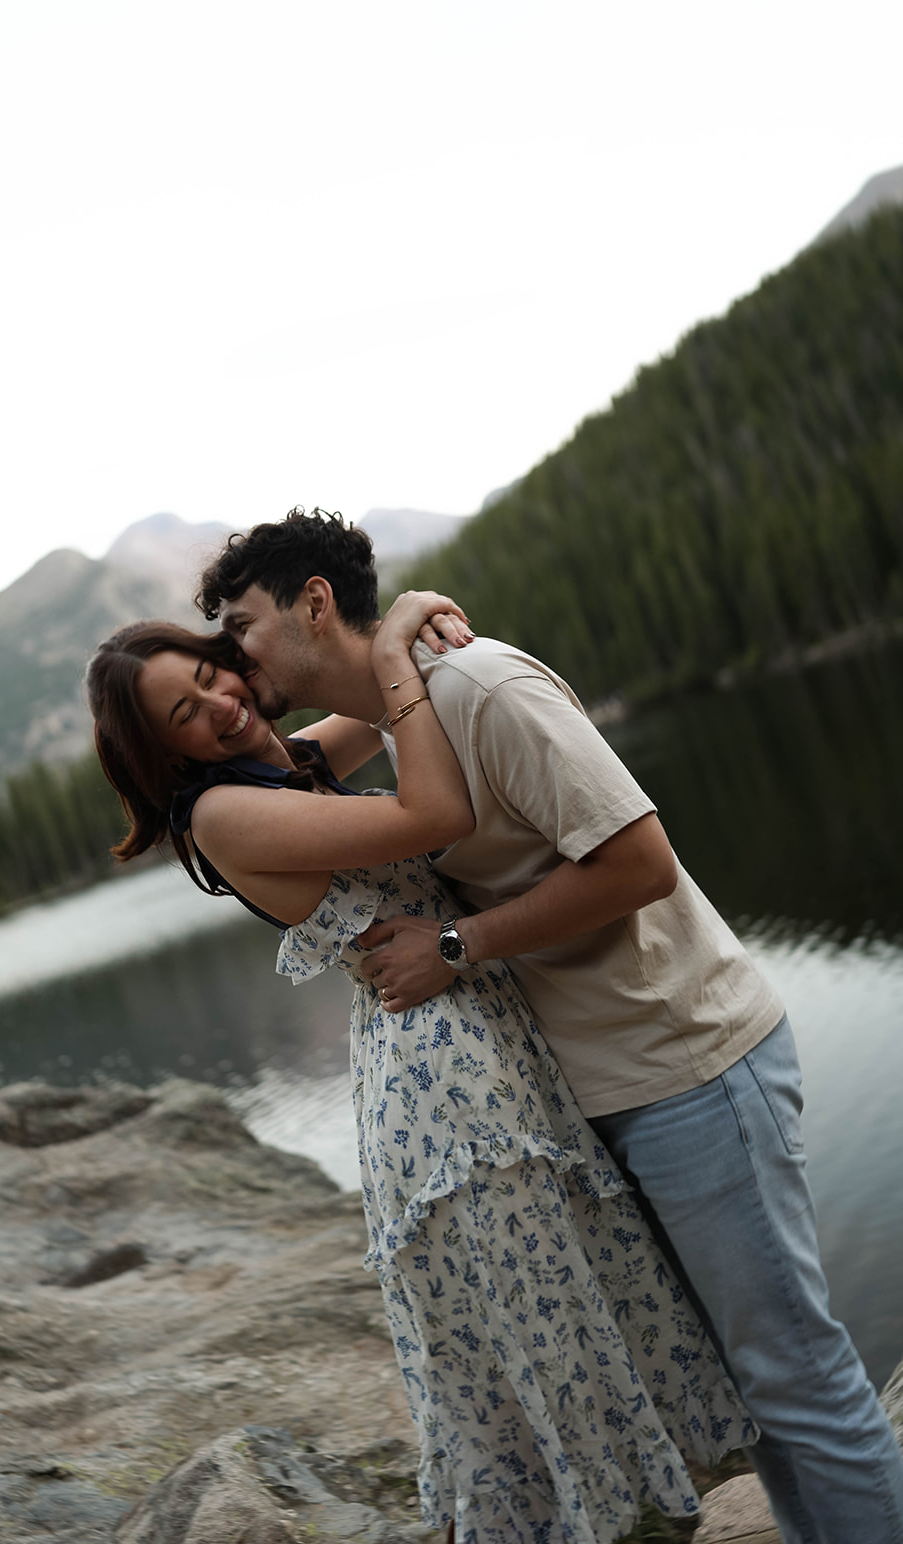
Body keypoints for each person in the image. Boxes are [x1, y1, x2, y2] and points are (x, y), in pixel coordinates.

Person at [197, 507, 903, 1544]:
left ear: (311, 603)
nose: (232, 655)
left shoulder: (480, 687)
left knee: (791, 1377)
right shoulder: (402, 707)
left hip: (686, 1062)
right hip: (606, 1085)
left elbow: (637, 865)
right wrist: (394, 636)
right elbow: (288, 767)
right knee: (756, 1395)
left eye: (244, 625)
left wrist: (454, 947)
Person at [86, 602, 753, 1544]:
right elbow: (435, 812)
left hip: (482, 1038)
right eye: (183, 715)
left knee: (572, 1314)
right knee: (544, 1338)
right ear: (165, 756)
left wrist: (401, 615)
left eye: (210, 675)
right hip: (445, 1084)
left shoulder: (286, 763)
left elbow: (374, 692)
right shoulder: (228, 813)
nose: (221, 705)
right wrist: (397, 643)